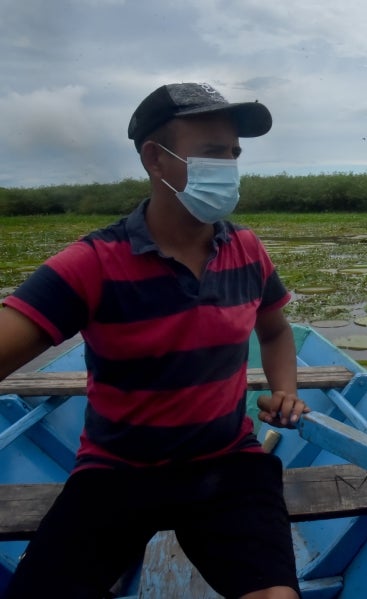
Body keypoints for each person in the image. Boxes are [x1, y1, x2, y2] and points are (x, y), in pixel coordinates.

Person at [0, 83, 306, 598]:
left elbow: (274, 330)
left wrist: (286, 387)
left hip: (227, 465)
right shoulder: (93, 264)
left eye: (234, 154)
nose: (229, 167)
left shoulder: (248, 250)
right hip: (119, 471)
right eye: (213, 153)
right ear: (155, 160)